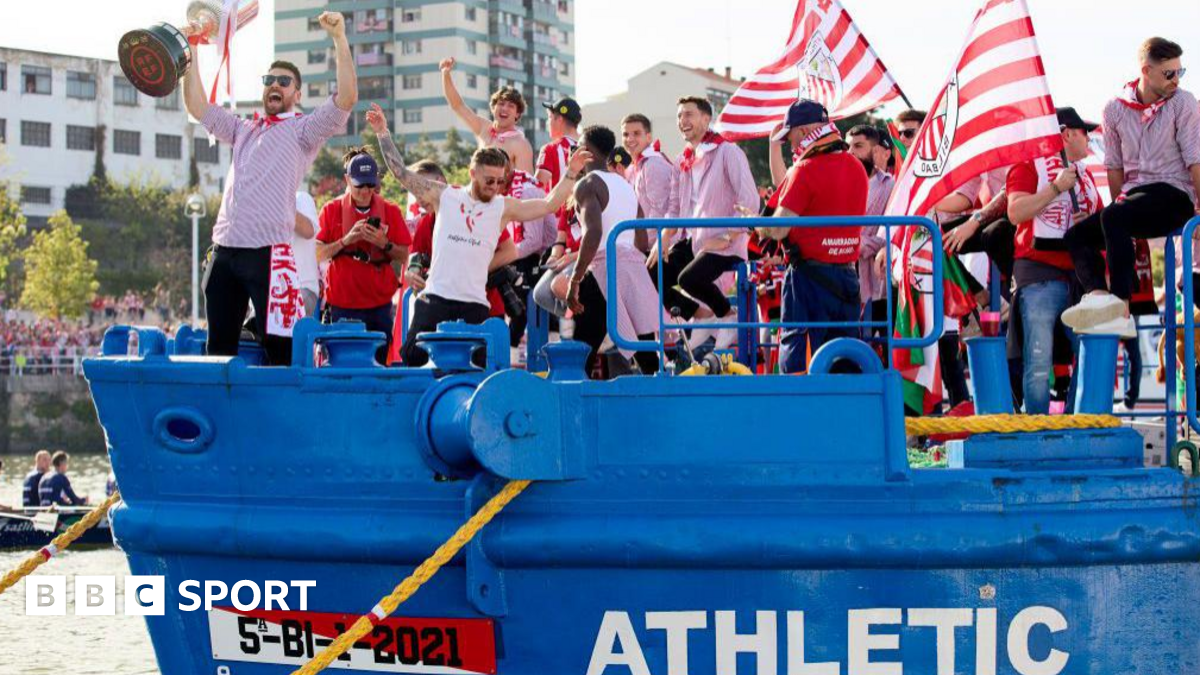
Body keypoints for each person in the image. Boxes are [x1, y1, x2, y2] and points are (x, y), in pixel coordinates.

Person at [183, 11, 356, 365]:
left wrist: (339, 39)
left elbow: (346, 100)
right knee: (218, 349)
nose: (275, 85)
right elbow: (197, 106)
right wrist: (191, 52)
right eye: (270, 79)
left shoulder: (303, 130)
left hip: (267, 254)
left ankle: (284, 415)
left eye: (284, 81)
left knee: (280, 350)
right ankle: (228, 417)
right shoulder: (244, 128)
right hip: (223, 250)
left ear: (297, 93)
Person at [364, 104, 591, 367]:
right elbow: (401, 173)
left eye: (499, 181)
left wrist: (572, 172)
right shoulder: (445, 195)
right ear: (472, 173)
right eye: (488, 180)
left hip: (474, 304)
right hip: (436, 297)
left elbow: (550, 204)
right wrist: (382, 132)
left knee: (479, 370)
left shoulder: (503, 206)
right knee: (413, 361)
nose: (494, 187)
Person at [1063, 37, 1200, 335]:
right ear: (1146, 71)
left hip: (1176, 195)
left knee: (1114, 216)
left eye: (1181, 72)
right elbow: (1114, 167)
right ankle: (1100, 297)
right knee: (1076, 235)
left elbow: (1195, 162)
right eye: (1169, 73)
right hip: (1136, 198)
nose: (1176, 80)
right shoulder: (1115, 109)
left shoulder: (1184, 103)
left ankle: (1121, 308)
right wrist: (1122, 217)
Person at [1006, 107, 1103, 414]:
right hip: (1039, 276)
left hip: (1081, 279)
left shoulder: (1086, 176)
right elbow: (1016, 212)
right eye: (1084, 132)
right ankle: (1037, 429)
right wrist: (1055, 188)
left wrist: (1089, 221)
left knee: (1088, 355)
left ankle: (1075, 422)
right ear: (1066, 134)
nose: (1089, 139)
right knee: (1038, 359)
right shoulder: (1026, 164)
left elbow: (1101, 220)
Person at [760, 100, 868, 374]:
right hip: (848, 277)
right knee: (844, 354)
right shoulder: (856, 167)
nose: (791, 143)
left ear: (805, 130)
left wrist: (757, 225)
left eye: (792, 135)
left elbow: (778, 229)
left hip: (807, 279)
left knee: (799, 352)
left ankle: (800, 415)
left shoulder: (805, 169)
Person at [562, 127, 661, 375]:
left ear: (587, 150)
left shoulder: (588, 183)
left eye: (578, 147)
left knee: (583, 349)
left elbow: (593, 233)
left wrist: (575, 278)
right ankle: (664, 400)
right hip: (632, 268)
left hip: (603, 269)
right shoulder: (625, 185)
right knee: (645, 348)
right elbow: (641, 238)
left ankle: (576, 406)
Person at [669, 96, 760, 349]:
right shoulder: (683, 159)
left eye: (688, 114)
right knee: (654, 270)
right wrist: (664, 239)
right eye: (679, 116)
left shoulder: (727, 151)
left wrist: (728, 236)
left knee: (688, 279)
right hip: (698, 241)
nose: (682, 121)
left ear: (706, 119)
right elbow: (676, 207)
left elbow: (750, 200)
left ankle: (725, 316)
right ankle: (705, 316)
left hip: (726, 243)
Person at [316, 153, 411, 363]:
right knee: (343, 365)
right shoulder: (331, 210)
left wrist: (383, 243)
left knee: (378, 365)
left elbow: (405, 255)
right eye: (359, 185)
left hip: (379, 306)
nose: (366, 191)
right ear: (347, 180)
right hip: (343, 305)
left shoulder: (390, 211)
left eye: (371, 185)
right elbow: (317, 253)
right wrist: (346, 240)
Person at [440, 57, 535, 174]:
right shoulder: (483, 127)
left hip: (503, 192)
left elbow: (526, 185)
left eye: (511, 106)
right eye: (501, 103)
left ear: (518, 114)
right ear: (493, 108)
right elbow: (457, 106)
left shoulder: (521, 144)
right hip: (475, 190)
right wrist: (445, 74)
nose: (504, 108)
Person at [846, 125, 895, 348]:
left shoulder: (891, 186)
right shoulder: (838, 185)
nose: (851, 152)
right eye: (848, 147)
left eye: (858, 146)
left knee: (887, 352)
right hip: (846, 284)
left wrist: (854, 244)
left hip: (881, 285)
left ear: (875, 151)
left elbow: (891, 234)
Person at [537, 97, 582, 189]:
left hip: (557, 203)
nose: (547, 123)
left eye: (550, 117)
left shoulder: (550, 149)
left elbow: (536, 189)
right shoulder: (589, 149)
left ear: (560, 119)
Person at [294, 190, 320, 318]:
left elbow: (308, 231)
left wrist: (280, 202)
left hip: (301, 288)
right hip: (268, 291)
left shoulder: (301, 198)